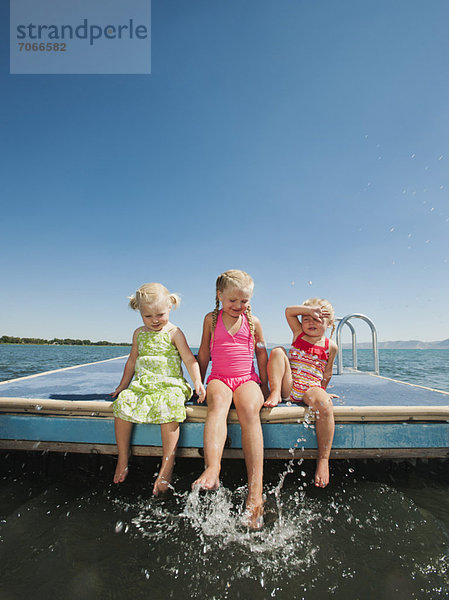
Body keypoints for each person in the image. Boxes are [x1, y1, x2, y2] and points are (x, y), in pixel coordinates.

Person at [111, 283, 205, 495]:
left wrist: (198, 382)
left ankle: (167, 464)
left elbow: (189, 359)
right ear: (140, 313)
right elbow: (132, 361)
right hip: (144, 385)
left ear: (170, 307)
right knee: (123, 403)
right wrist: (122, 386)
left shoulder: (174, 332)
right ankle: (123, 457)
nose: (154, 320)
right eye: (148, 316)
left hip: (170, 384)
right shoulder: (138, 334)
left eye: (160, 314)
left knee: (169, 406)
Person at [193, 269, 269, 530]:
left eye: (244, 301)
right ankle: (213, 469)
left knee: (249, 409)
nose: (238, 306)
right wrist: (198, 384)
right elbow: (204, 352)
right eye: (232, 301)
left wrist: (267, 388)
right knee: (218, 405)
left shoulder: (254, 322)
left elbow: (261, 356)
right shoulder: (211, 320)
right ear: (219, 295)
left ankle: (255, 494)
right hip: (219, 378)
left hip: (247, 378)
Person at [264, 298, 338, 488]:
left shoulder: (331, 346)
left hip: (311, 388)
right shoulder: (298, 333)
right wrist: (311, 310)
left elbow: (327, 372)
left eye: (318, 318)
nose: (311, 322)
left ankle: (323, 459)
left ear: (329, 323)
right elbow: (288, 311)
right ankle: (275, 392)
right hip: (290, 384)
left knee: (325, 406)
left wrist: (323, 393)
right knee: (278, 351)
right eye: (306, 318)